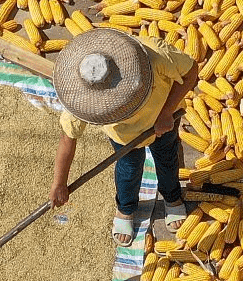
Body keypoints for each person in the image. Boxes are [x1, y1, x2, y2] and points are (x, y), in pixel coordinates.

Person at [47, 28, 199, 247]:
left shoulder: (154, 54)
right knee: (128, 170)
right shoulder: (80, 99)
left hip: (163, 123)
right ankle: (126, 208)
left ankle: (172, 196)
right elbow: (68, 140)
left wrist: (167, 111)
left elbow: (191, 70)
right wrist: (59, 182)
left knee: (167, 160)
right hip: (124, 137)